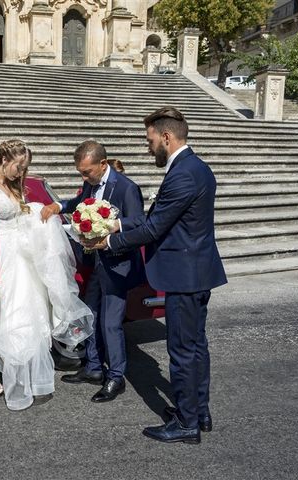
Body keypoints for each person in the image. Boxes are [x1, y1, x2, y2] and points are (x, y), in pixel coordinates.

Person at [84, 107, 227, 444]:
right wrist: (117, 223)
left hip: (185, 275)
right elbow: (157, 217)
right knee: (195, 347)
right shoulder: (195, 167)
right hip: (195, 271)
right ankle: (198, 410)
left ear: (166, 136)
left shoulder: (183, 174)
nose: (148, 147)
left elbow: (154, 227)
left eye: (150, 140)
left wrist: (109, 241)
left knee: (182, 350)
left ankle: (187, 423)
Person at [0, 139, 94, 411]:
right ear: (3, 160)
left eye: (24, 168)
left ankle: (19, 371)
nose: (20, 173)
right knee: (1, 315)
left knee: (27, 314)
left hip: (23, 257)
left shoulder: (14, 185)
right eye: (17, 166)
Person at [40, 140, 145, 404]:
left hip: (118, 263)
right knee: (91, 313)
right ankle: (94, 368)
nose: (84, 177)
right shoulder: (91, 183)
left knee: (110, 322)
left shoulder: (127, 187)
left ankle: (116, 377)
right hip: (96, 261)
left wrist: (111, 225)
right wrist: (60, 206)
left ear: (102, 164)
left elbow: (139, 221)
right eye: (81, 173)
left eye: (87, 172)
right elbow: (79, 202)